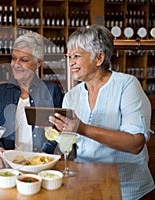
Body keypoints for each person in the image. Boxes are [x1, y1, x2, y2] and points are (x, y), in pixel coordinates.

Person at [49, 24, 154, 200]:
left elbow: (135, 144)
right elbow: (71, 148)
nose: (71, 62)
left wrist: (82, 128)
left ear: (99, 58)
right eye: (69, 56)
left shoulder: (127, 85)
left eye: (77, 56)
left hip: (127, 189)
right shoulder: (71, 96)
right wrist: (57, 135)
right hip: (86, 185)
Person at [0, 31, 64, 168]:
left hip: (42, 165)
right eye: (14, 58)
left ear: (38, 63)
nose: (16, 64)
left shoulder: (52, 91)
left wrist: (41, 159)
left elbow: (57, 132)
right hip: (6, 165)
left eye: (24, 60)